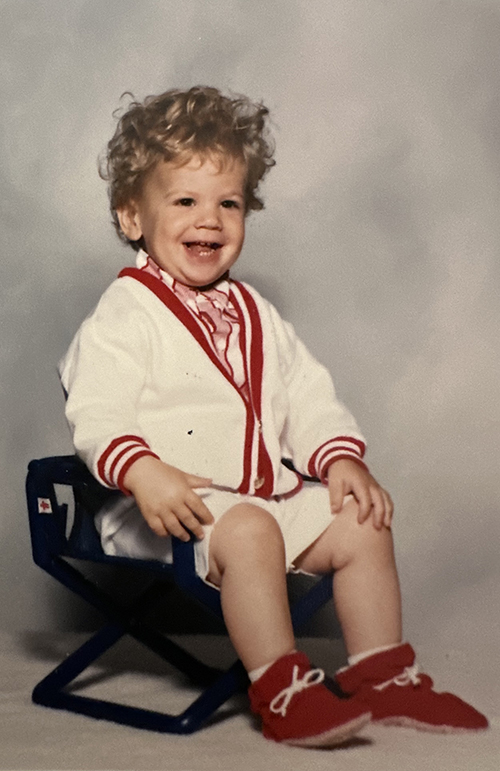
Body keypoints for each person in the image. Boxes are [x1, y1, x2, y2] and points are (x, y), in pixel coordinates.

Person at [59, 86, 488, 747]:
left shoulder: (255, 312)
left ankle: (381, 675)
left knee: (361, 520)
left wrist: (338, 457)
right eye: (185, 202)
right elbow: (96, 407)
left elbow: (305, 393)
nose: (210, 219)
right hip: (169, 512)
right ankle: (282, 690)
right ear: (132, 215)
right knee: (251, 530)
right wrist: (141, 470)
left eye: (228, 203)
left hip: (259, 501)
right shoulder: (125, 315)